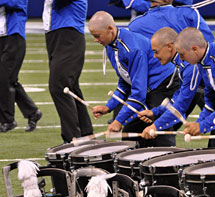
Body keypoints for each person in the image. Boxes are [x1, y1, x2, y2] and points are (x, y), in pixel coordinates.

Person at [89, 11, 179, 147]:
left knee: (157, 130)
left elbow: (138, 94)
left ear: (110, 29)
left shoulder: (132, 49)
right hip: (149, 88)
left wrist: (118, 121)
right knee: (132, 132)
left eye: (97, 36)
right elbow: (125, 83)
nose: (95, 40)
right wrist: (108, 107)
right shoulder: (110, 47)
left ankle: (167, 163)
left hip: (164, 85)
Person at [43, 0, 93, 143]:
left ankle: (72, 139)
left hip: (68, 34)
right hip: (56, 35)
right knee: (69, 87)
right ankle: (85, 134)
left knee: (59, 86)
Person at [139, 27, 201, 139]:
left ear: (169, 46)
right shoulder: (181, 64)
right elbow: (177, 97)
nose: (154, 56)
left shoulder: (188, 65)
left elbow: (181, 105)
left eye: (156, 51)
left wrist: (155, 126)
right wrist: (154, 112)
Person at [0, 0, 42, 133]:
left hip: (14, 35)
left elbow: (15, 2)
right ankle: (32, 112)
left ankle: (8, 120)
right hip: (2, 36)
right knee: (6, 79)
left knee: (6, 78)